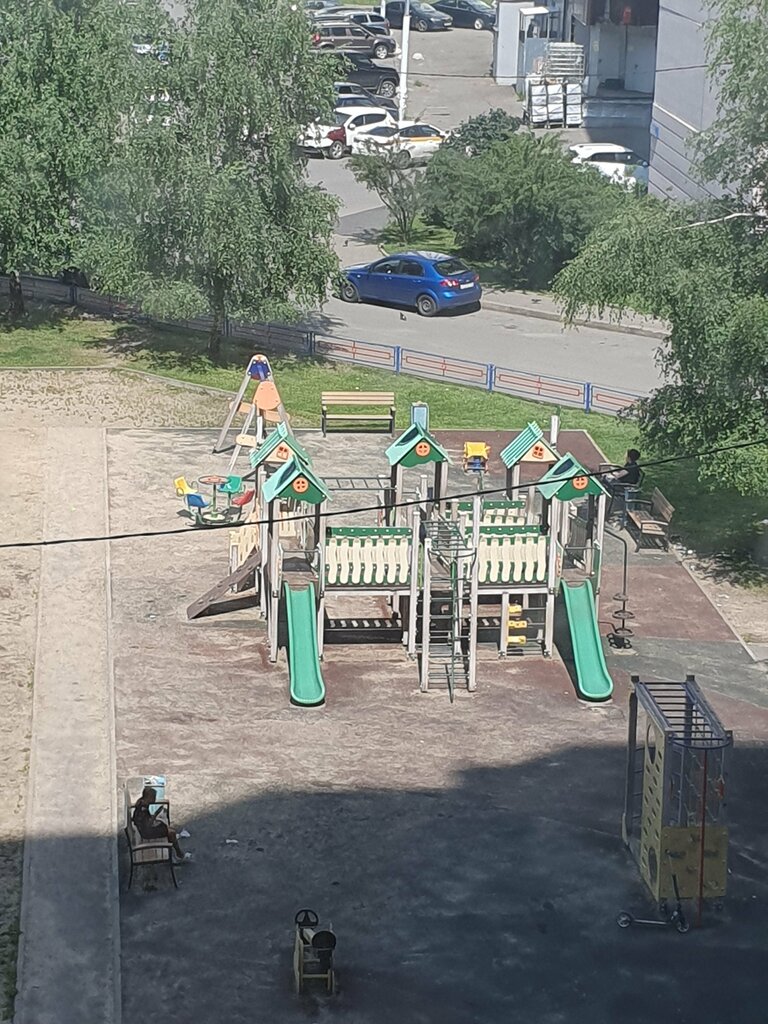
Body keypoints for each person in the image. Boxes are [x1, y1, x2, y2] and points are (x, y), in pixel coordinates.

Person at [132, 786, 191, 862]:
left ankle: (173, 842)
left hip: (145, 829)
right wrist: (156, 814)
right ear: (149, 797)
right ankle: (179, 855)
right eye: (153, 797)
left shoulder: (142, 802)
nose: (155, 799)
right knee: (171, 832)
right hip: (146, 833)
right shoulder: (143, 809)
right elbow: (148, 825)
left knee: (166, 827)